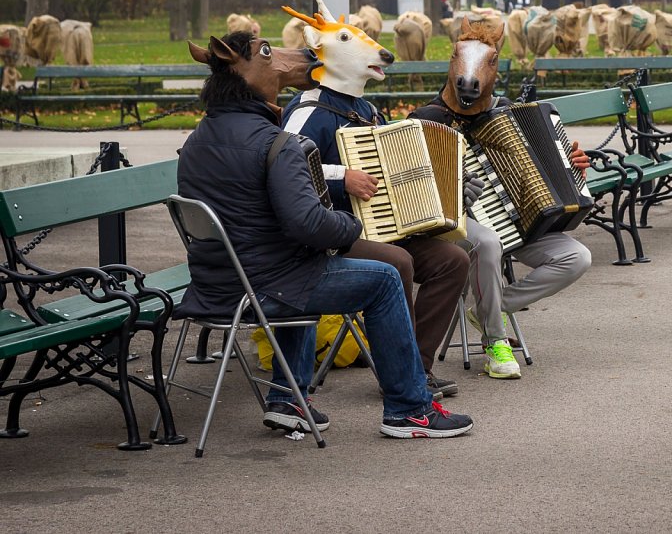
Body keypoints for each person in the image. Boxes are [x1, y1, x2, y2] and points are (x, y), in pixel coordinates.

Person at [178, 31, 473, 438]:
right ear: (242, 71)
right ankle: (409, 408)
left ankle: (288, 398)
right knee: (383, 278)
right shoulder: (274, 143)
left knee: (307, 263)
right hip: (268, 288)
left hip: (216, 286)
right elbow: (308, 224)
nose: (287, 57)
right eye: (267, 53)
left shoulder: (197, 140)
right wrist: (352, 226)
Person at [408, 22, 592, 380]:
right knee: (487, 242)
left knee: (576, 257)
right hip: (455, 224)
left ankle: (489, 308)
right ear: (453, 65)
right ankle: (495, 342)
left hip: (515, 219)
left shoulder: (508, 113)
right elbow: (414, 190)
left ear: (495, 69)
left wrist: (572, 165)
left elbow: (537, 169)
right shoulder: (426, 120)